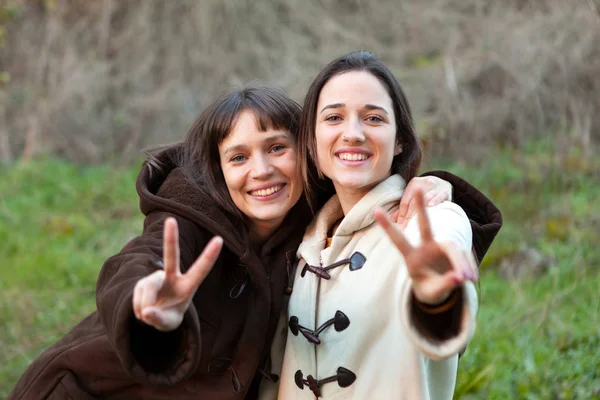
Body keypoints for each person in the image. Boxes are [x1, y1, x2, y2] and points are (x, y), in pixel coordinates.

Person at [8, 84, 501, 399]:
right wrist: (147, 302)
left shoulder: (313, 225)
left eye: (276, 148)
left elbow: (364, 176)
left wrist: (435, 184)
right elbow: (141, 259)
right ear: (218, 172)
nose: (261, 170)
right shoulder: (192, 224)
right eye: (238, 157)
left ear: (305, 154)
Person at [264, 51, 499, 399]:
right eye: (334, 117)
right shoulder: (301, 240)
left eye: (373, 118)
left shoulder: (432, 220)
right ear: (311, 143)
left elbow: (444, 279)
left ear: (400, 139)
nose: (353, 133)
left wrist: (438, 299)